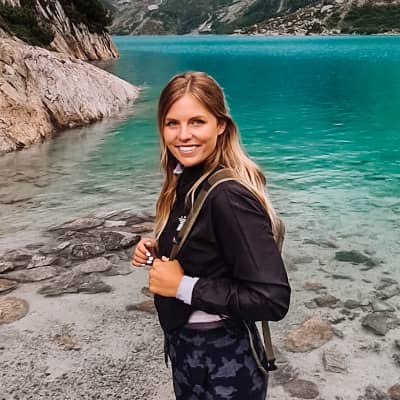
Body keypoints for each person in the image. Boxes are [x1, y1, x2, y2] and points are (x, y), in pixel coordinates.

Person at [132, 71, 290, 400]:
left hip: (224, 360)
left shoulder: (228, 196)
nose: (183, 135)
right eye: (172, 123)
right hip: (191, 353)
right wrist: (160, 248)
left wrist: (181, 286)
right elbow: (206, 246)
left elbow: (272, 299)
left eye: (197, 122)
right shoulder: (187, 178)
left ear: (220, 125)